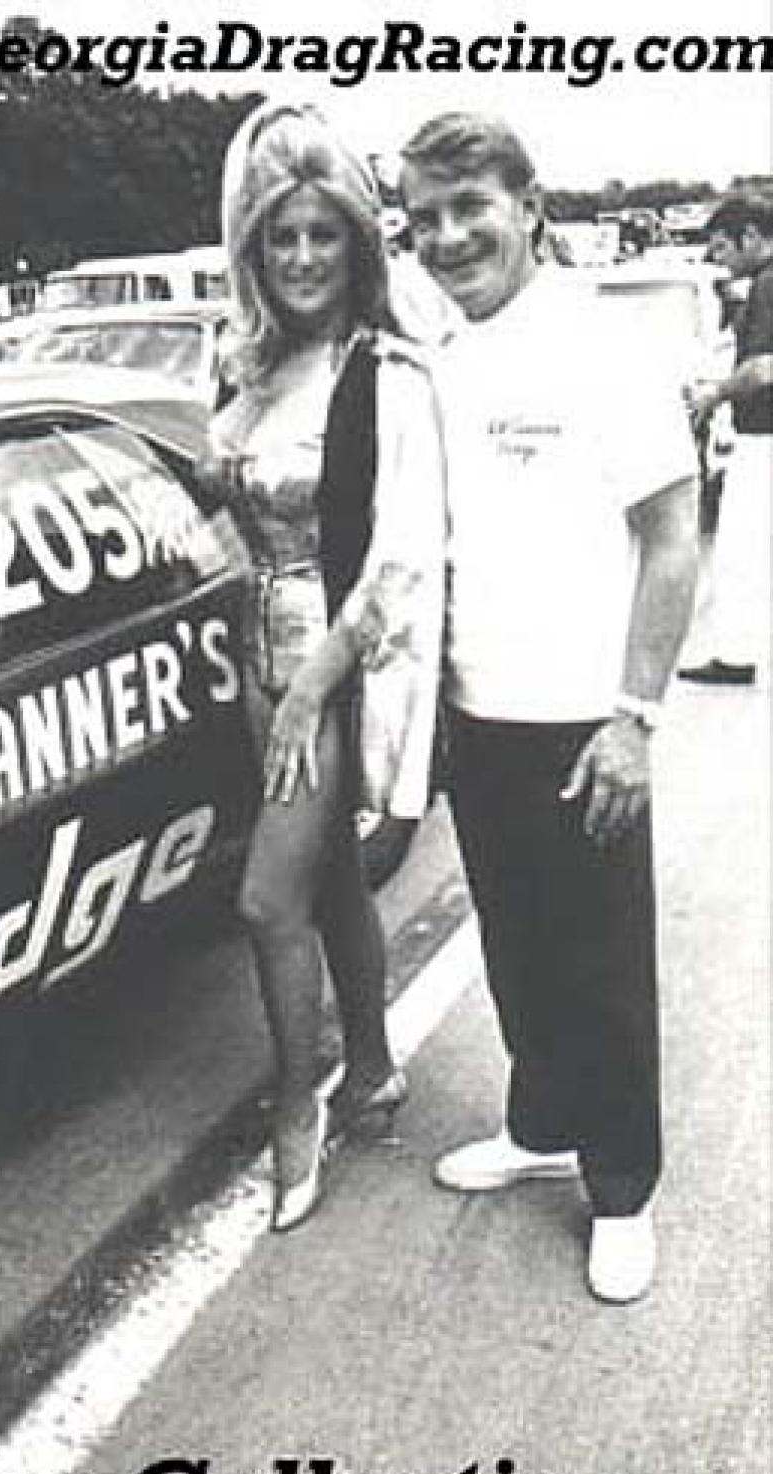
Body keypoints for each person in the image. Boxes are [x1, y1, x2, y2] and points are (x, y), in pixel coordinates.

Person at [398, 113, 700, 1303]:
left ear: (528, 207)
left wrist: (632, 717)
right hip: (478, 712)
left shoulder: (598, 343)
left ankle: (620, 1189)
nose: (446, 237)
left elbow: (670, 540)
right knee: (516, 948)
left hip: (582, 721)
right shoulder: (443, 357)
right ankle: (540, 1129)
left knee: (598, 967)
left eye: (468, 208)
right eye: (423, 219)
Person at [198, 101, 446, 1233]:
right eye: (281, 237)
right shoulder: (245, 362)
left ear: (356, 242)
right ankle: (376, 1068)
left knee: (266, 900)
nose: (302, 258)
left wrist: (313, 685)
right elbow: (228, 510)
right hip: (255, 654)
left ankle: (297, 1107)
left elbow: (401, 556)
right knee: (329, 878)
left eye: (322, 235)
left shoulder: (386, 373)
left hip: (339, 666)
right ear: (254, 248)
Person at [678, 189, 773, 686]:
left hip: (765, 439)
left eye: (721, 246)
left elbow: (762, 369)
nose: (716, 258)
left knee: (739, 553)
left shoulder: (767, 285)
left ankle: (735, 657)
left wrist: (714, 395)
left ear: (751, 237)